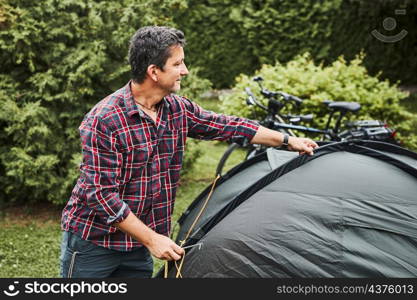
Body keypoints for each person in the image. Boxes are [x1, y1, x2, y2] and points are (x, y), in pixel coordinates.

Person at [60, 26, 318, 278]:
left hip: (137, 244)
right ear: (153, 72)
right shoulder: (104, 120)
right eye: (178, 64)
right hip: (93, 243)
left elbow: (226, 126)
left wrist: (286, 140)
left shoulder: (176, 109)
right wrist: (152, 240)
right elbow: (101, 196)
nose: (185, 71)